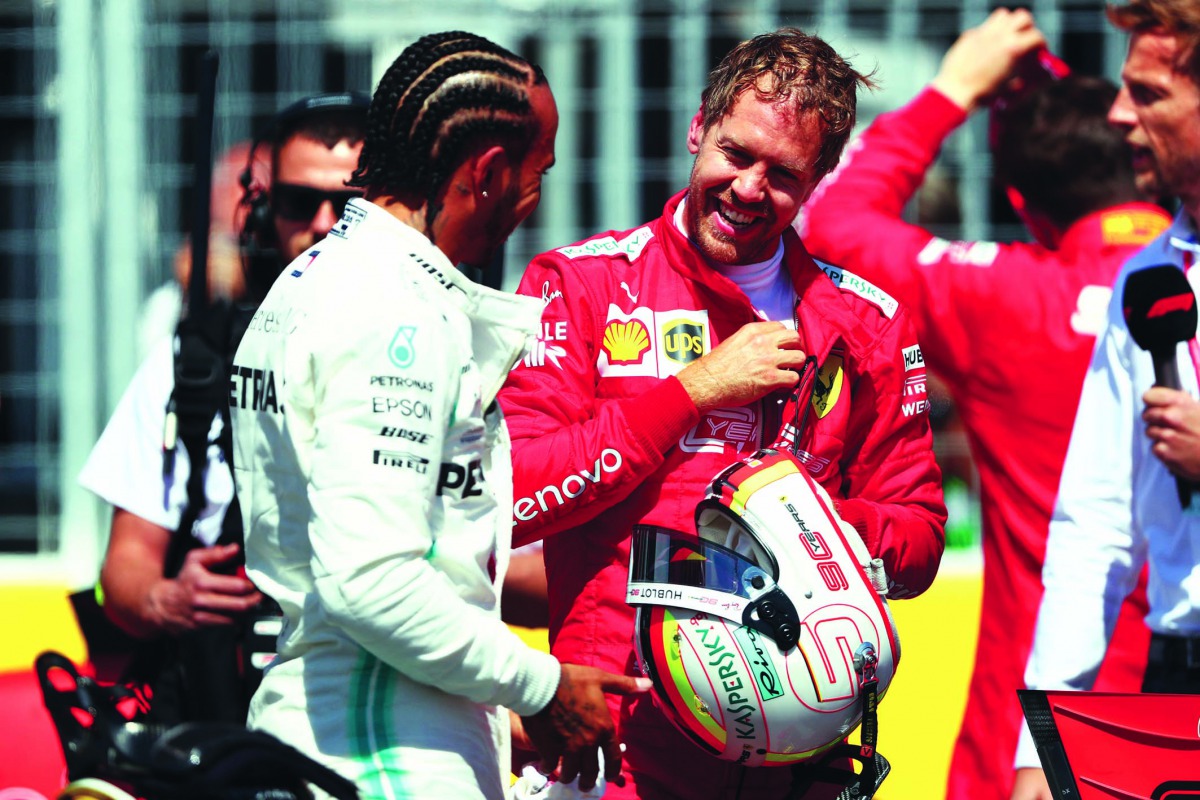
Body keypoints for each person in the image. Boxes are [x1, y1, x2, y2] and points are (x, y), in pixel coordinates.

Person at [498, 27, 947, 800]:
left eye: (781, 174)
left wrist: (804, 528)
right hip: (612, 748)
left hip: (793, 757)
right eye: (735, 155)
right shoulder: (579, 285)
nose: (747, 188)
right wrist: (690, 395)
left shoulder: (864, 324)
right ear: (698, 127)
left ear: (821, 179)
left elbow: (920, 540)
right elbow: (515, 495)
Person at [228, 31, 650, 800]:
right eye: (538, 171)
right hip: (381, 758)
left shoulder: (310, 279)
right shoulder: (397, 312)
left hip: (325, 730)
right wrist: (543, 685)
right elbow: (372, 582)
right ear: (488, 171)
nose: (536, 198)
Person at [797, 9, 1170, 799]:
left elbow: (833, 221)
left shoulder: (1004, 294)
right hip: (1173, 716)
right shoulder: (1180, 287)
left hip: (1032, 732)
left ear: (1022, 203)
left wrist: (955, 87)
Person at [77, 91, 369, 723]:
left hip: (374, 714)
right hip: (216, 723)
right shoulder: (191, 363)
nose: (322, 223)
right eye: (299, 201)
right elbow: (124, 568)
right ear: (261, 209)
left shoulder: (449, 356)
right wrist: (164, 597)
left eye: (349, 206)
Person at [1010, 1, 1200, 798]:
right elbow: (1093, 525)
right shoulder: (1145, 275)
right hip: (1178, 674)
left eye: (1149, 94)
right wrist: (1037, 753)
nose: (1119, 116)